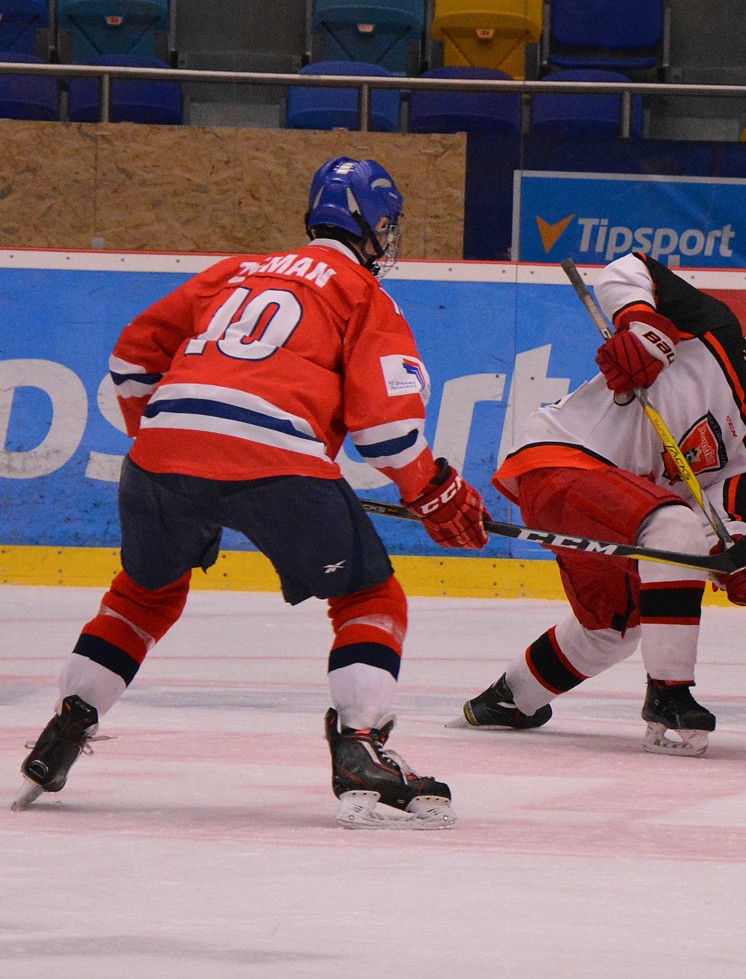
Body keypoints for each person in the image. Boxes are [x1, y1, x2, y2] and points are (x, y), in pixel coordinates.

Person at [14, 157, 489, 828]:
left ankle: (69, 722)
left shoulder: (235, 271)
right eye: (387, 226)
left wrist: (178, 446)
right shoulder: (365, 296)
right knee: (369, 597)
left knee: (144, 594)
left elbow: (130, 360)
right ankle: (360, 745)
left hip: (158, 459)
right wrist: (433, 492)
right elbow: (385, 432)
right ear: (370, 225)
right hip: (278, 463)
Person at [456, 251, 746, 757]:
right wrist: (643, 327)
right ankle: (669, 694)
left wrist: (737, 561)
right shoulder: (717, 333)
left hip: (617, 514)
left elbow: (719, 526)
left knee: (613, 629)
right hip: (563, 463)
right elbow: (629, 268)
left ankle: (508, 699)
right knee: (671, 525)